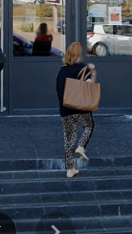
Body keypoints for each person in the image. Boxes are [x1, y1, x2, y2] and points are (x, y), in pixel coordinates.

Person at [56, 42, 96, 178]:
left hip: (66, 110)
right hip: (80, 108)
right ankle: (81, 146)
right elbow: (90, 87)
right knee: (89, 126)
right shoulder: (83, 69)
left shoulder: (62, 70)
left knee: (69, 139)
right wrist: (93, 71)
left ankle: (70, 169)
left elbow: (59, 91)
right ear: (79, 55)